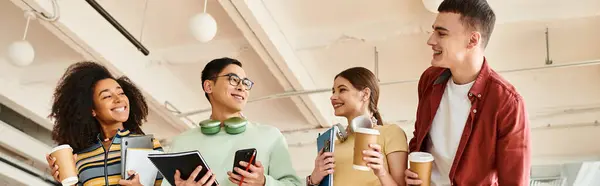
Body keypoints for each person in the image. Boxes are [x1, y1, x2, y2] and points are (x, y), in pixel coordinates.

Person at [404, 0, 531, 185]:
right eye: (433, 31)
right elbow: (420, 137)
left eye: (441, 33)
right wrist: (413, 172)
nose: (431, 40)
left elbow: (514, 181)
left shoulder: (507, 103)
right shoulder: (429, 80)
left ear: (472, 40)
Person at [162, 57, 302, 186]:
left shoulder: (271, 136)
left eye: (246, 83)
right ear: (208, 86)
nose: (242, 87)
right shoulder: (182, 142)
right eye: (233, 79)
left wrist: (263, 182)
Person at [45, 61, 164, 186]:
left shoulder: (147, 146)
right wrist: (65, 182)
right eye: (107, 96)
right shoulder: (81, 159)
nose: (119, 99)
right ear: (92, 110)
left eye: (121, 93)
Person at [307, 67, 409, 186]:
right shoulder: (333, 144)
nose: (333, 97)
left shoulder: (390, 133)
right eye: (333, 91)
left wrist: (381, 172)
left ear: (365, 94)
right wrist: (313, 180)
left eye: (342, 90)